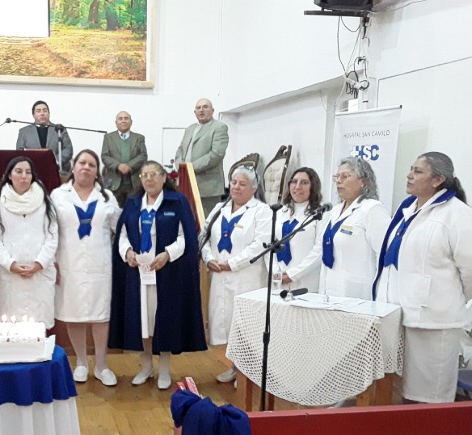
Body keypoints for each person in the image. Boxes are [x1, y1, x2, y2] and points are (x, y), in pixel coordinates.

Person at [374, 152, 472, 403]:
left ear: (438, 179)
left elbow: (469, 270)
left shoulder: (456, 214)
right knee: (399, 392)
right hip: (398, 314)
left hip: (434, 322)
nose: (409, 175)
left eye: (418, 171)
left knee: (430, 397)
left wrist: (445, 299)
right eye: (411, 168)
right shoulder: (407, 208)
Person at [109, 161, 207, 390]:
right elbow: (122, 234)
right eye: (144, 175)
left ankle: (164, 369)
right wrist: (128, 252)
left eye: (154, 174)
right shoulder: (133, 204)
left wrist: (167, 255)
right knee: (141, 321)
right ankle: (145, 367)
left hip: (166, 274)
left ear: (164, 178)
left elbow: (186, 237)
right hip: (138, 274)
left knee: (163, 320)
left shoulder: (177, 202)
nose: (149, 179)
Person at [51, 150, 120, 386]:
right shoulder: (58, 195)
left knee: (100, 316)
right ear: (73, 167)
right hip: (68, 262)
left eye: (92, 164)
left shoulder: (107, 196)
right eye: (82, 163)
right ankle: (80, 362)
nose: (86, 167)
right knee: (75, 313)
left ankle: (101, 365)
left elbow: (119, 228)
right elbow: (51, 230)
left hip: (100, 264)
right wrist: (53, 261)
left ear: (97, 170)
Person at [199, 166, 270, 384]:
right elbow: (205, 234)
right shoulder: (220, 208)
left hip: (245, 277)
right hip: (219, 274)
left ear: (254, 188)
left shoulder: (262, 211)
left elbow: (261, 244)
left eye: (242, 184)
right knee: (227, 322)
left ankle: (248, 374)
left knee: (246, 325)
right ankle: (234, 367)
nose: (236, 187)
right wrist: (208, 257)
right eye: (234, 182)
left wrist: (232, 264)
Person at [0, 156, 58, 328]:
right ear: (9, 175)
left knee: (40, 325)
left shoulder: (44, 201)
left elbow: (52, 235)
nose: (24, 176)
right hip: (11, 273)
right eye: (18, 172)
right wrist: (9, 264)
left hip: (40, 272)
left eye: (28, 172)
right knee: (13, 326)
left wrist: (40, 263)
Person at [315, 157, 390, 299]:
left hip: (357, 294)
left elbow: (384, 254)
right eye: (337, 176)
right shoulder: (335, 210)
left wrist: (382, 297)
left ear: (363, 181)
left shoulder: (372, 209)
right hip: (328, 289)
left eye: (345, 176)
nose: (338, 181)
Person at [174, 98, 229, 216]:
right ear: (195, 112)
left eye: (205, 107)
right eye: (198, 108)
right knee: (187, 219)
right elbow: (180, 150)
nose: (201, 110)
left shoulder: (219, 127)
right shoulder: (190, 128)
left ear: (212, 110)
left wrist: (190, 168)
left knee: (206, 222)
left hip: (207, 186)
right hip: (186, 182)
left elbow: (216, 154)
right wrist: (180, 165)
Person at [276, 167, 325, 293]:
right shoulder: (279, 212)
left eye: (304, 182)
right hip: (278, 281)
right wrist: (276, 274)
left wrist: (293, 274)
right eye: (294, 182)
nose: (297, 187)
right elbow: (268, 246)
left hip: (305, 281)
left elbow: (319, 251)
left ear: (313, 186)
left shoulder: (320, 214)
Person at [101, 111, 148, 207]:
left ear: (131, 122)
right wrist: (118, 166)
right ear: (116, 123)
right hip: (113, 183)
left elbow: (143, 156)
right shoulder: (108, 137)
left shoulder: (139, 138)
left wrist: (129, 166)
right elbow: (105, 156)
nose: (123, 121)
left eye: (126, 118)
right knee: (113, 213)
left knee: (133, 213)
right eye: (120, 118)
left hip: (134, 183)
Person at [16, 100, 74, 172]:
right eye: (38, 111)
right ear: (33, 115)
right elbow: (19, 151)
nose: (42, 113)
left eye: (45, 110)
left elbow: (68, 149)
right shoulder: (24, 132)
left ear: (49, 113)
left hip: (55, 169)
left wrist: (55, 160)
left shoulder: (59, 129)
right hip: (32, 170)